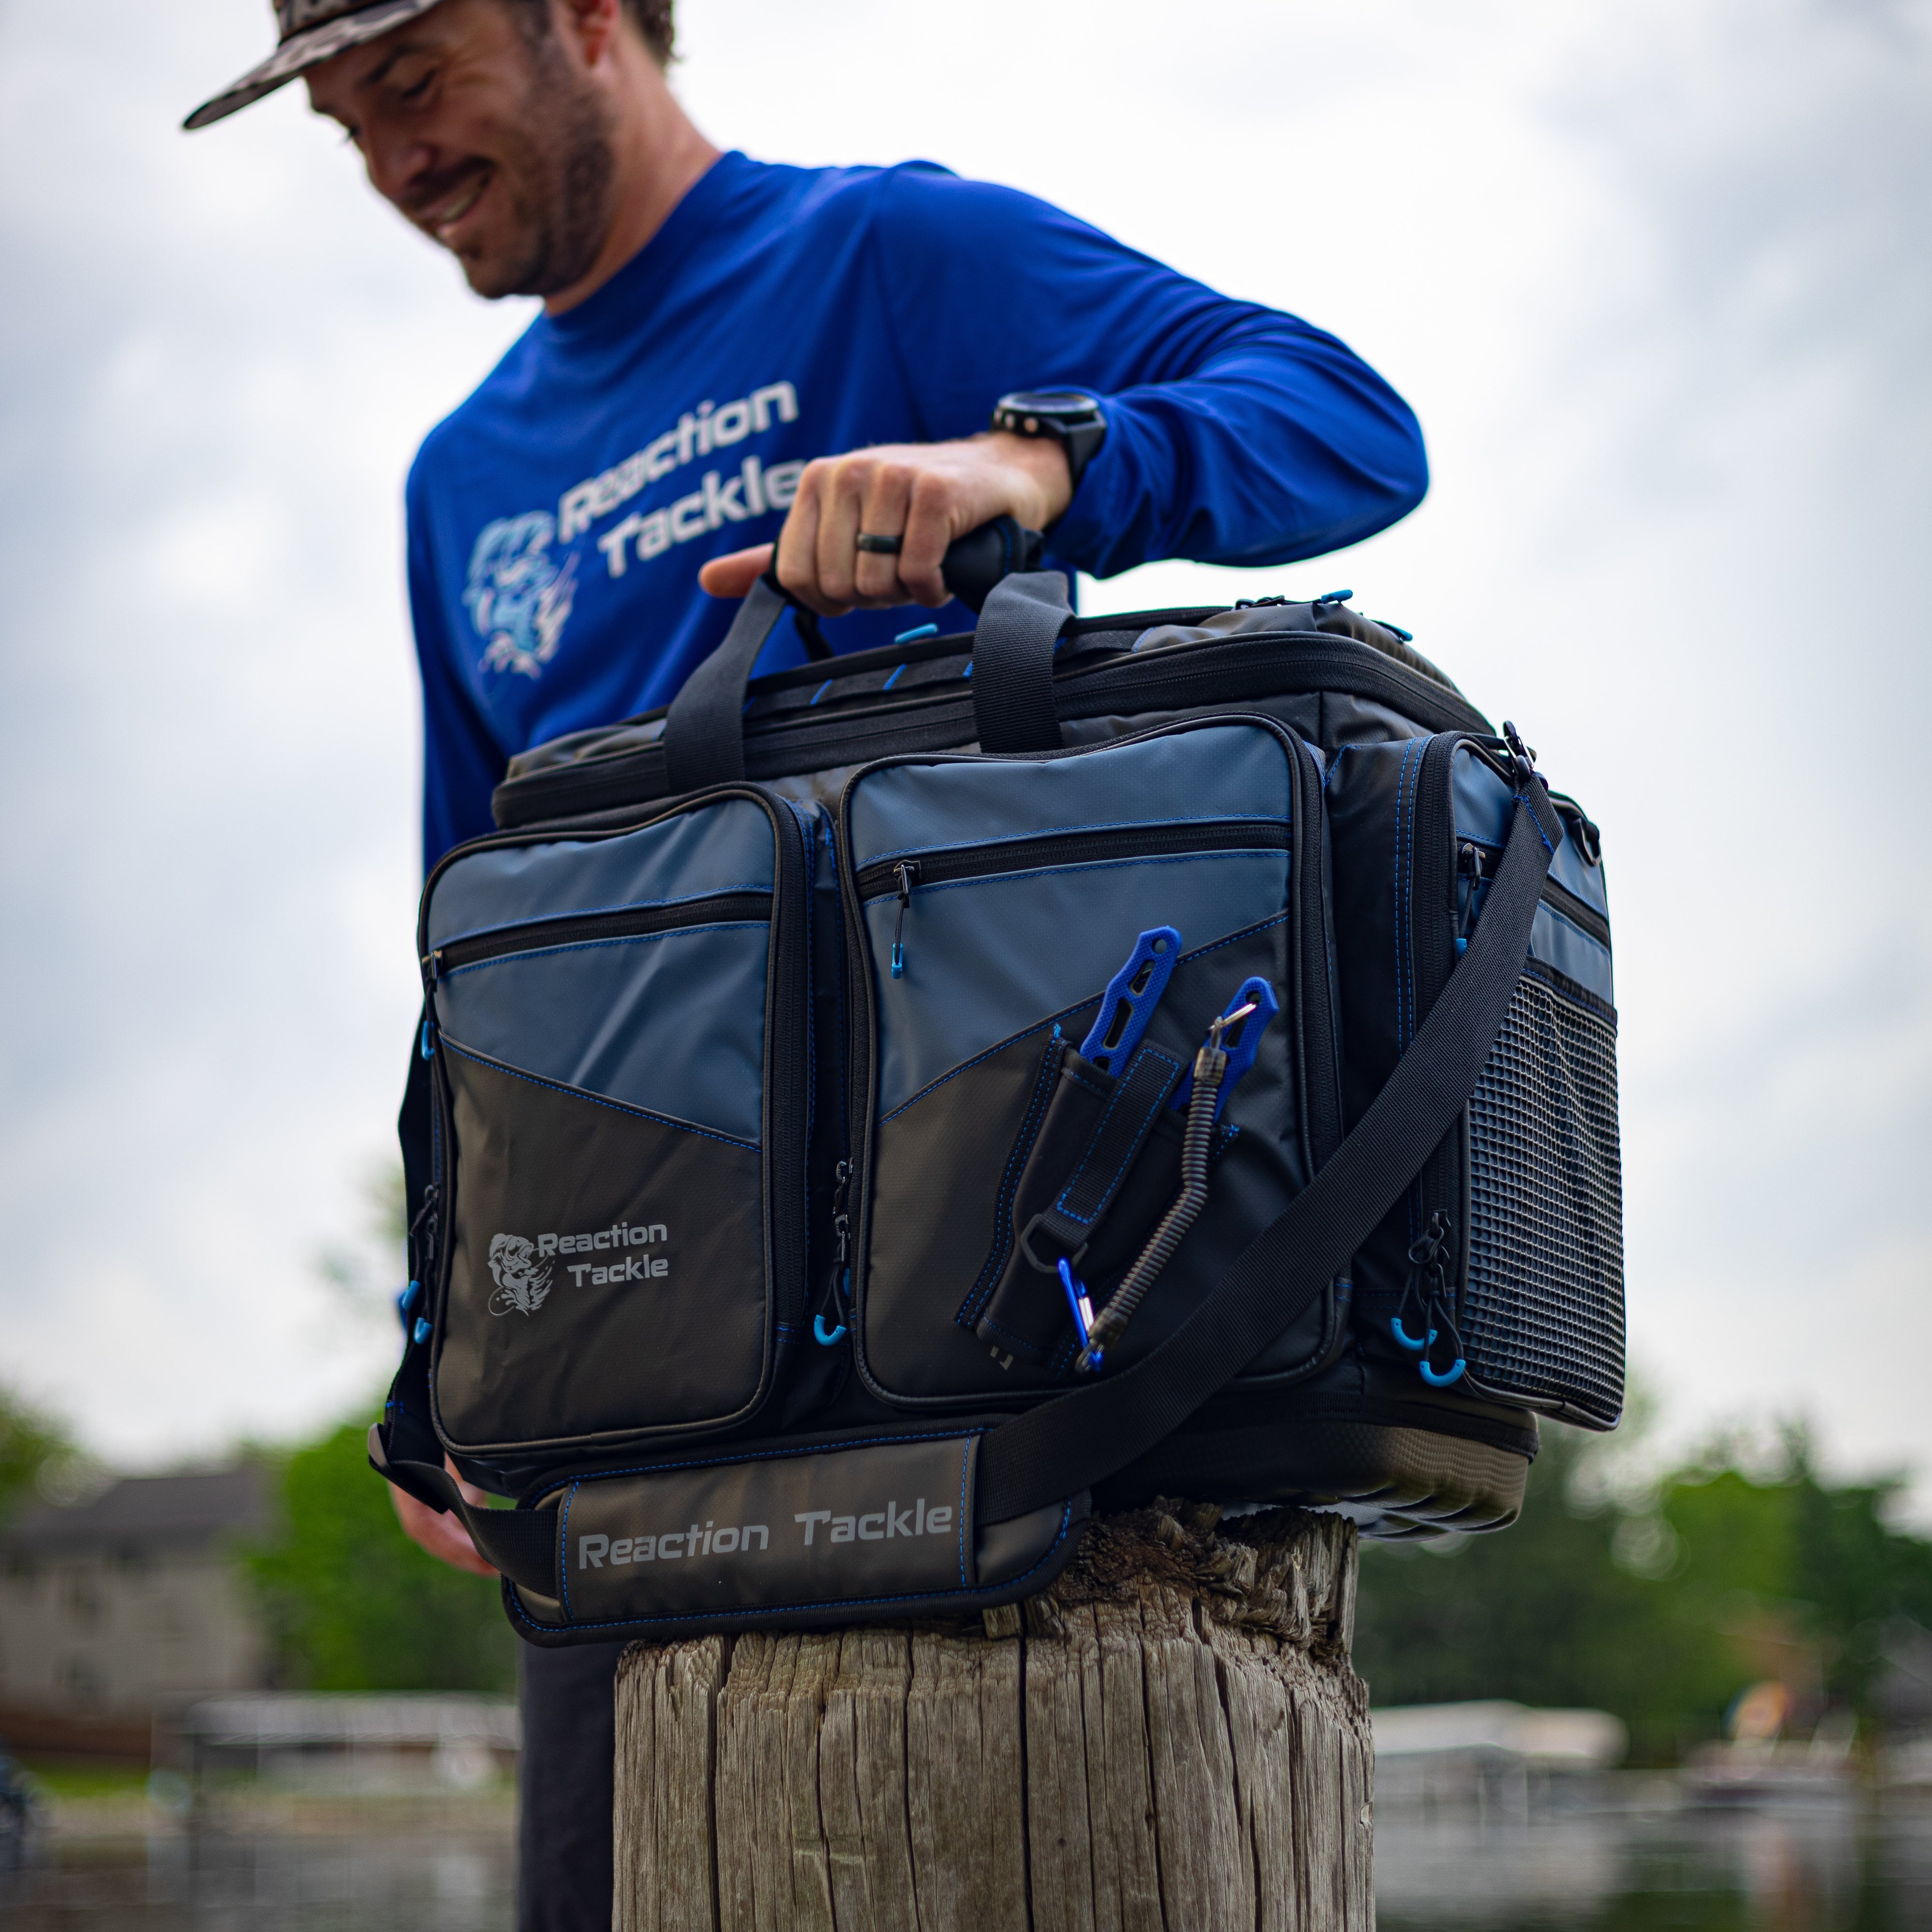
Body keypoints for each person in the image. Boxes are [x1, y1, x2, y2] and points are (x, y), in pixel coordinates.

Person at [186, 2, 1429, 1924]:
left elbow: (1350, 423)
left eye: (415, 83)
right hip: (628, 1395)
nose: (392, 164)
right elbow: (479, 939)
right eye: (347, 125)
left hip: (984, 1334)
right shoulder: (458, 483)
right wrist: (448, 1340)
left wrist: (1031, 463)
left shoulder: (884, 255)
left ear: (587, 18)